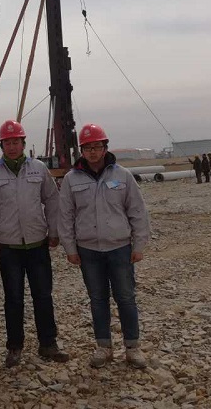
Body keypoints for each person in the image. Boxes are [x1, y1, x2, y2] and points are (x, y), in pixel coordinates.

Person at [58, 123, 151, 369]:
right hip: (88, 251)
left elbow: (137, 211)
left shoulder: (122, 176)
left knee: (126, 298)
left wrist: (139, 245)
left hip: (119, 249)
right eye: (87, 148)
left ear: (105, 148)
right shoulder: (71, 179)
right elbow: (65, 216)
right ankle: (103, 347)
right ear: (81, 150)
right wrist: (70, 248)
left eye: (96, 147)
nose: (92, 152)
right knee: (98, 299)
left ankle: (132, 347)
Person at [0, 119, 69, 367]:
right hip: (9, 247)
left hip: (37, 244)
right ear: (1, 145)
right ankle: (14, 347)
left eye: (16, 142)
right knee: (13, 299)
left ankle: (48, 344)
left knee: (43, 296)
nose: (12, 147)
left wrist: (54, 231)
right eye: (7, 142)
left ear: (23, 143)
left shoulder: (38, 169)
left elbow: (52, 200)